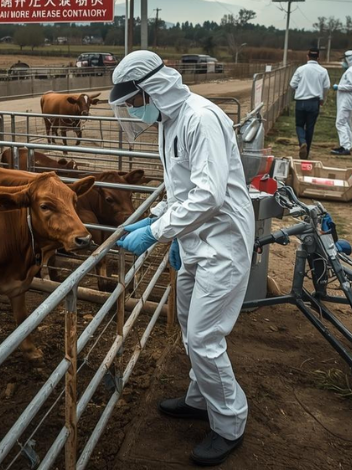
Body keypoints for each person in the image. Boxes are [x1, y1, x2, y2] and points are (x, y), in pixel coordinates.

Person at [109, 51, 254, 467]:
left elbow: (209, 194)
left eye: (135, 102)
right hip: (193, 240)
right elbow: (182, 189)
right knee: (192, 331)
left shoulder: (199, 118)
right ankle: (200, 398)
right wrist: (159, 220)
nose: (134, 111)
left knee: (206, 338)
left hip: (222, 245)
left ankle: (229, 423)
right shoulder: (169, 122)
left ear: (154, 89)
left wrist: (156, 232)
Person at [290, 48, 330, 159]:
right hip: (314, 102)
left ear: (307, 57)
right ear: (318, 58)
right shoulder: (323, 71)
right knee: (310, 127)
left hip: (301, 101)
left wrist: (300, 88)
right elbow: (326, 86)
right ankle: (306, 153)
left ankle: (302, 142)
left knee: (299, 125)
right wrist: (322, 98)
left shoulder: (300, 69)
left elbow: (292, 84)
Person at [331, 50, 352, 156]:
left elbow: (350, 86)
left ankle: (345, 147)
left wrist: (338, 87)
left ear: (349, 59)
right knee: (347, 123)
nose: (343, 62)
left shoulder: (351, 71)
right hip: (349, 100)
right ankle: (347, 145)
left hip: (347, 100)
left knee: (340, 123)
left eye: (345, 59)